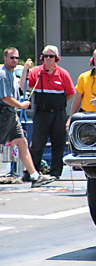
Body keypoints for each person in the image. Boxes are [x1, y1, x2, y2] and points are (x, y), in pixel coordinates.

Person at [0, 47, 55, 187]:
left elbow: (20, 87)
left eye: (16, 58)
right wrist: (22, 105)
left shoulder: (12, 74)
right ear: (5, 58)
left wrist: (25, 69)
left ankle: (35, 176)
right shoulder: (3, 75)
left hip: (11, 115)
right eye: (11, 57)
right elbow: (6, 98)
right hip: (3, 113)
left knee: (22, 142)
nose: (14, 60)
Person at [27, 45, 75, 179]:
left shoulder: (63, 73)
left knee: (59, 144)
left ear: (56, 58)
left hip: (58, 113)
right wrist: (26, 69)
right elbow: (26, 87)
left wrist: (59, 103)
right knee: (37, 144)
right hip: (41, 113)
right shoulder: (36, 72)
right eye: (45, 56)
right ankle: (34, 172)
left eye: (51, 56)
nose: (48, 59)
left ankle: (56, 173)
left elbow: (71, 93)